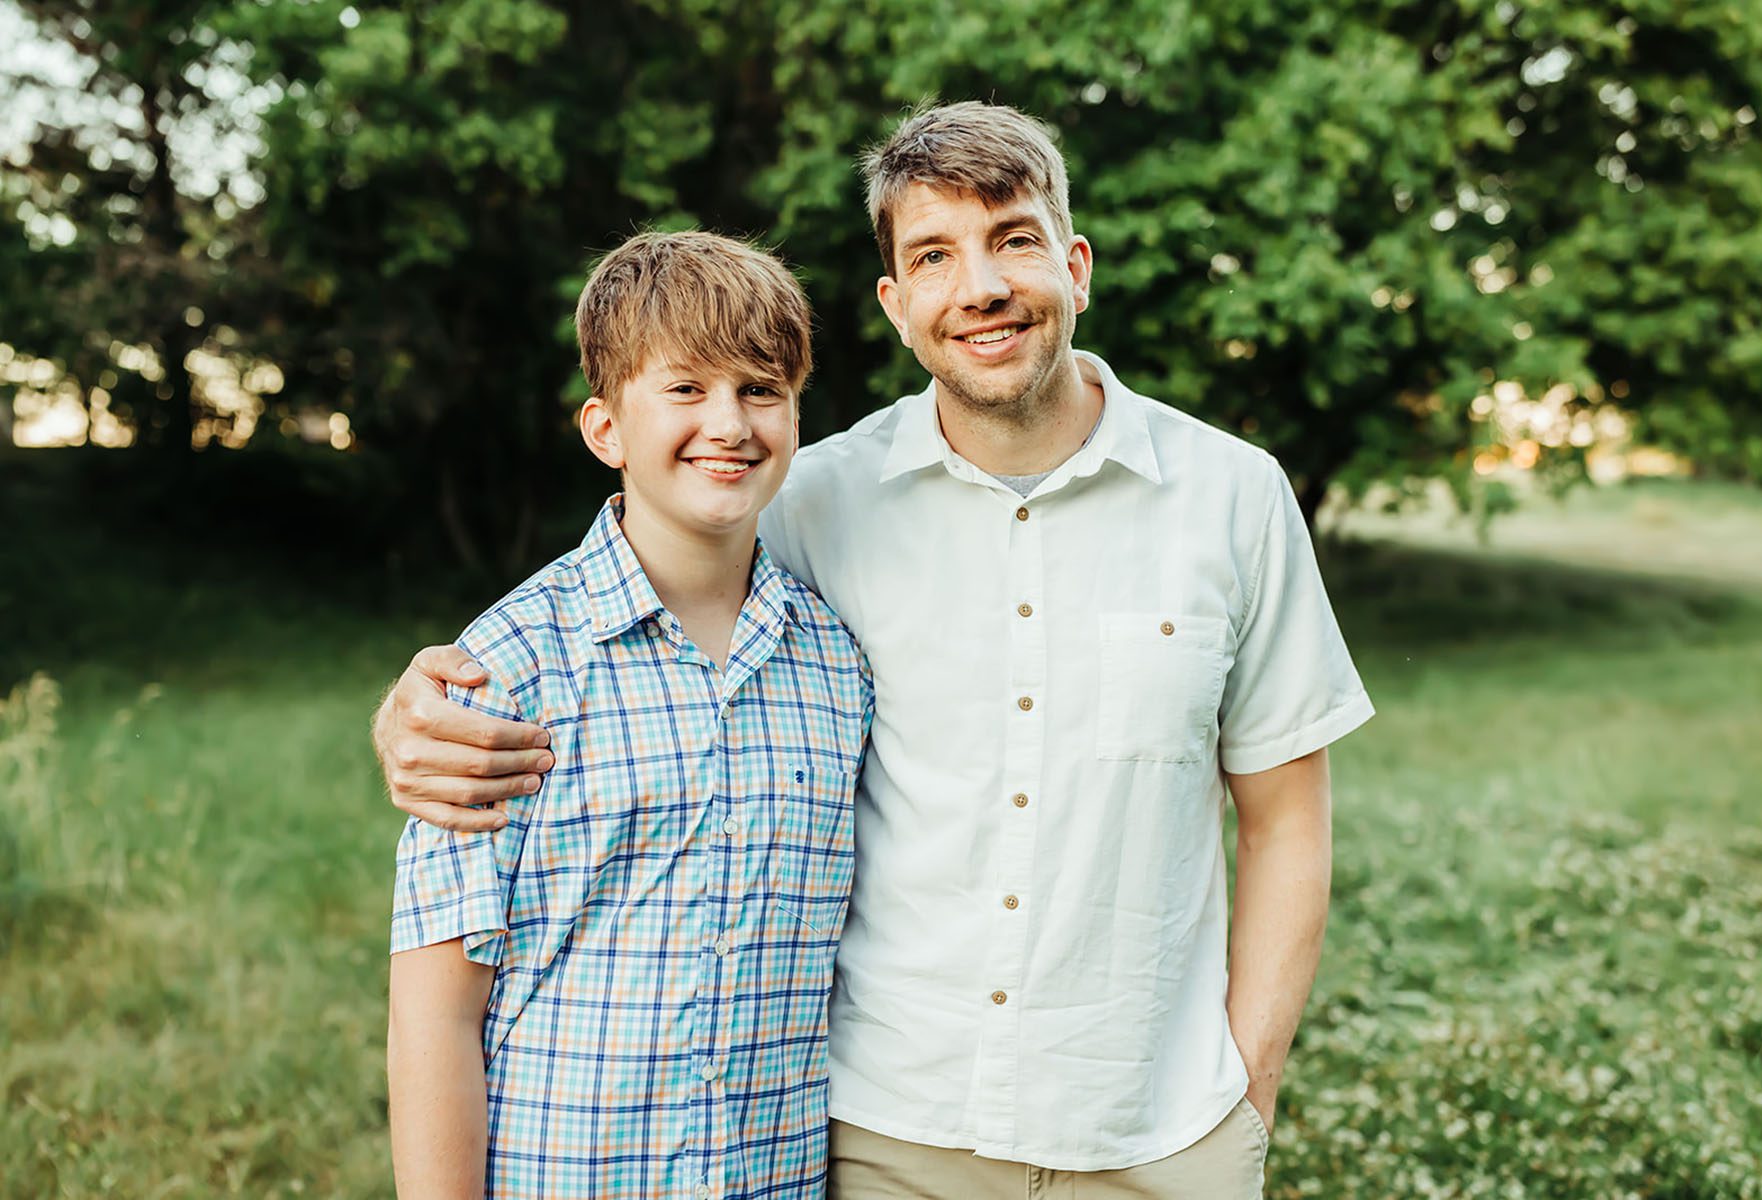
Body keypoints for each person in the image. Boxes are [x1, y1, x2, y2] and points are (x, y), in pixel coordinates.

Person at [377, 102, 1373, 1198]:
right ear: (898, 306)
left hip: (1157, 1131)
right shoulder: (815, 501)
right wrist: (417, 709)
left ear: (1076, 266)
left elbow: (1287, 821)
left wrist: (1248, 1097)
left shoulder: (1234, 497)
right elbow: (654, 566)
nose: (982, 287)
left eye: (1016, 239)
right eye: (935, 255)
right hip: (886, 1135)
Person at [385, 230, 874, 1200]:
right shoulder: (505, 672)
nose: (729, 423)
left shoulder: (836, 663)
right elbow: (435, 1014)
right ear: (605, 429)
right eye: (686, 390)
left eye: (761, 389)